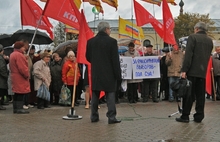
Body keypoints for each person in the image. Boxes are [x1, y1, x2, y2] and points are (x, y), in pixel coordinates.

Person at [176, 22, 213, 123]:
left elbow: (188, 55)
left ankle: (185, 116)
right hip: (202, 72)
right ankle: (199, 116)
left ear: (196, 29)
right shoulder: (209, 40)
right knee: (200, 95)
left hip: (192, 71)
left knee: (189, 95)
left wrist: (184, 70)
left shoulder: (192, 37)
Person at [86, 21, 122, 124]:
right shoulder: (112, 42)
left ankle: (94, 116)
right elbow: (115, 60)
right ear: (106, 29)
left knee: (95, 95)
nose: (110, 30)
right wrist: (118, 75)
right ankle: (111, 117)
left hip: (96, 72)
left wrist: (96, 64)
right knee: (110, 95)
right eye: (110, 29)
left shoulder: (90, 42)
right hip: (109, 73)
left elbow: (88, 57)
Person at [9, 41, 30, 114]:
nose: (24, 48)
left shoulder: (12, 54)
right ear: (20, 47)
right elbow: (22, 68)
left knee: (17, 93)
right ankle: (19, 108)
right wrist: (27, 75)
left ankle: (16, 108)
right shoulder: (19, 55)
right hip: (20, 77)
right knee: (21, 92)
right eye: (23, 47)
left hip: (14, 75)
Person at [0, 44, 8, 110]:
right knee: (1, 92)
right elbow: (2, 68)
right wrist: (6, 75)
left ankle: (1, 102)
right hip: (1, 79)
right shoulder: (0, 58)